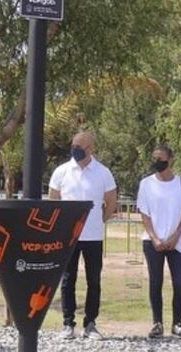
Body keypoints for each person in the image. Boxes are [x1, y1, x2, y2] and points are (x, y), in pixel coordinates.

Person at [48, 130, 118, 340]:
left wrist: (100, 219)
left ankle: (91, 324)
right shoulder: (61, 171)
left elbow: (111, 201)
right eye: (74, 146)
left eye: (80, 147)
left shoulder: (103, 172)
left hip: (93, 237)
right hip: (69, 236)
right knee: (68, 280)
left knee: (93, 280)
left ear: (91, 148)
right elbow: (54, 200)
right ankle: (68, 323)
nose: (75, 150)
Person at [136, 144, 181, 339]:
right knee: (156, 282)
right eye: (154, 159)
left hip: (177, 241)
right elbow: (144, 213)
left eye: (161, 159)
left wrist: (176, 236)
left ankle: (177, 322)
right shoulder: (146, 184)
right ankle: (157, 323)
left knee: (179, 282)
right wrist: (154, 237)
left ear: (170, 160)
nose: (157, 162)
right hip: (152, 241)